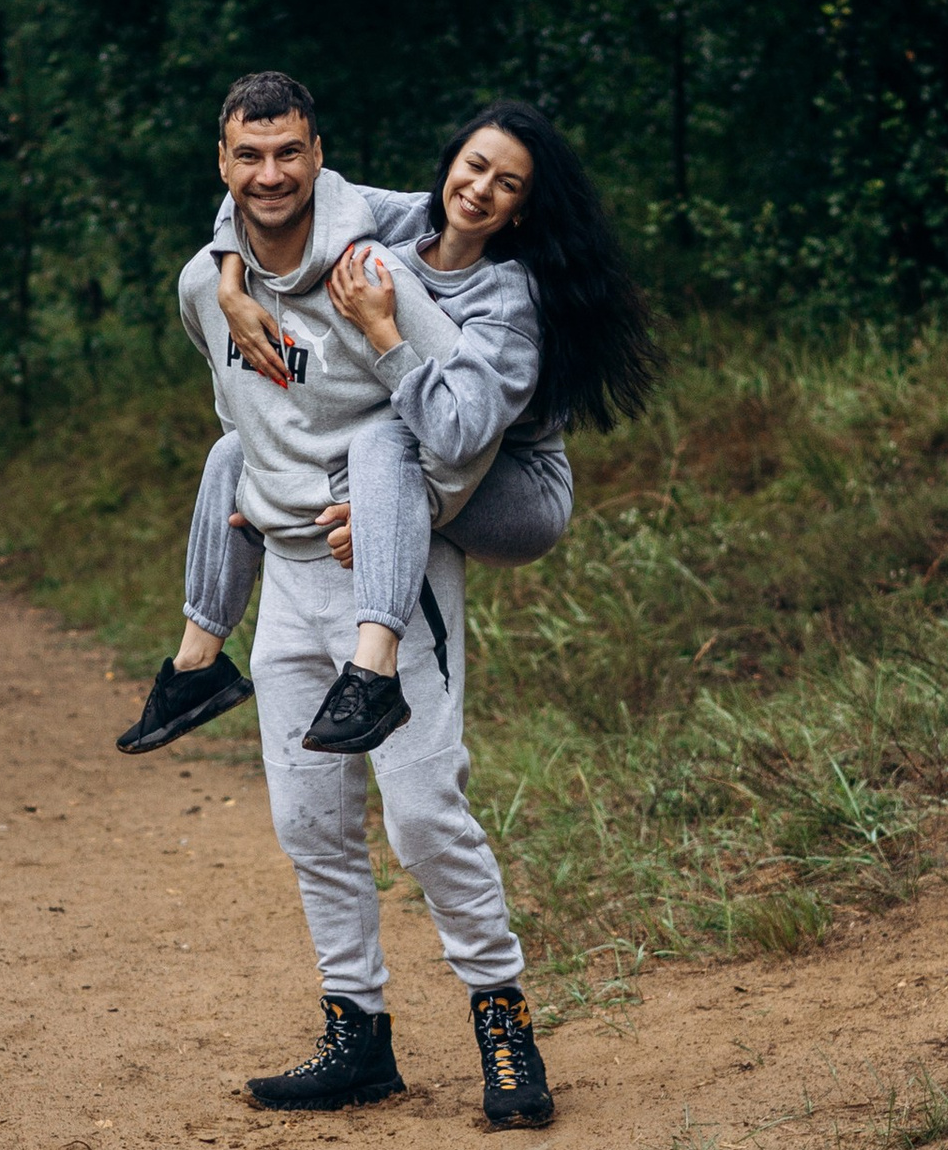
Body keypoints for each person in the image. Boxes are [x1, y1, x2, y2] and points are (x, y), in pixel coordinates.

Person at [134, 71, 562, 1126]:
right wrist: (234, 283)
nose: (269, 174)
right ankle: (355, 1036)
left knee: (421, 817)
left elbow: (457, 422)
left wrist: (394, 503)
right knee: (310, 824)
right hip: (285, 583)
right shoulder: (203, 285)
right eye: (248, 156)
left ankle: (503, 1024)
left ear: (321, 154)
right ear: (221, 166)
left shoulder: (381, 263)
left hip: (390, 579)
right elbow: (244, 412)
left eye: (289, 154)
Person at [121, 97, 654, 758]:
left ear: (521, 208)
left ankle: (374, 673)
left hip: (514, 486)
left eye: (507, 184)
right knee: (236, 451)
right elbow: (267, 197)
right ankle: (197, 666)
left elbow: (457, 434)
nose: (481, 189)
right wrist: (231, 281)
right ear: (450, 163)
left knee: (378, 441)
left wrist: (384, 335)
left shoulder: (508, 294)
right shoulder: (400, 218)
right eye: (476, 166)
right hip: (428, 448)